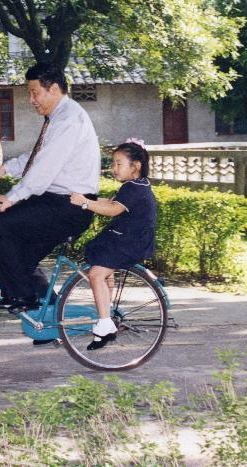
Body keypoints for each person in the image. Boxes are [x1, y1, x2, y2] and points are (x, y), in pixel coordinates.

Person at [0, 62, 100, 316]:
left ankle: (22, 296)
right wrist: (6, 168)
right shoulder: (59, 117)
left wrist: (13, 197)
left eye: (35, 93)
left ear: (54, 89)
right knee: (18, 257)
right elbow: (38, 157)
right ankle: (51, 317)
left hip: (70, 205)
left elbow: (44, 169)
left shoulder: (69, 119)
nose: (31, 100)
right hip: (57, 201)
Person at [70, 140, 156, 351]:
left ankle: (105, 323)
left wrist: (85, 203)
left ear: (135, 166)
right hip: (125, 237)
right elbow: (109, 203)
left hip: (130, 242)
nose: (113, 168)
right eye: (113, 163)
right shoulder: (136, 185)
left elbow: (113, 210)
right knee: (103, 267)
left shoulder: (134, 189)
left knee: (96, 274)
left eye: (119, 164)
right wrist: (89, 200)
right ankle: (105, 314)